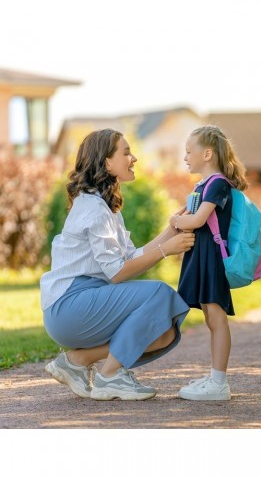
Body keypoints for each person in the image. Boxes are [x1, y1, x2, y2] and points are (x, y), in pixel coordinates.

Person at [40, 129, 195, 401]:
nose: (133, 158)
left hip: (83, 303)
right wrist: (164, 251)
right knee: (161, 294)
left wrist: (170, 231)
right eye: (125, 152)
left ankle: (77, 361)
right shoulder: (93, 207)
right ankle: (110, 375)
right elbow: (118, 273)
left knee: (164, 331)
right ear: (106, 162)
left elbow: (129, 257)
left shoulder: (105, 206)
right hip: (69, 305)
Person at [169, 125, 248, 401]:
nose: (185, 157)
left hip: (212, 259)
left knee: (216, 317)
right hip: (202, 256)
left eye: (189, 152)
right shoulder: (203, 184)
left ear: (207, 153)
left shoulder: (218, 183)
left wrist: (175, 221)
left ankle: (219, 383)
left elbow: (198, 220)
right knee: (210, 316)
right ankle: (215, 377)